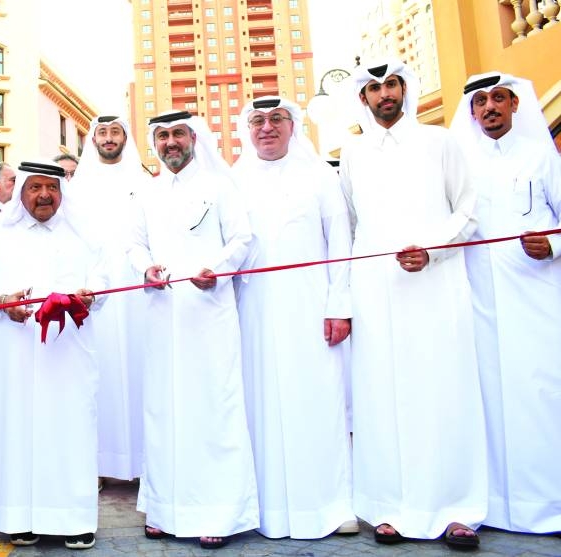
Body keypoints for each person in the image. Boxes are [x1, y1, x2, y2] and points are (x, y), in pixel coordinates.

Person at [339, 59, 487, 548]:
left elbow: (468, 208)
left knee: (443, 390)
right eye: (374, 88)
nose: (384, 94)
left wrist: (433, 250)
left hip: (436, 286)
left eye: (391, 85)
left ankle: (456, 510)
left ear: (405, 89)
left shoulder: (439, 141)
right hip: (375, 291)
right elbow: (352, 223)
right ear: (363, 98)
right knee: (381, 395)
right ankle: (388, 509)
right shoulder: (353, 153)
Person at [128, 111, 258, 549]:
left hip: (209, 314)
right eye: (162, 136)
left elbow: (242, 240)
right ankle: (164, 510)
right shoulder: (147, 192)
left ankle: (220, 513)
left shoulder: (220, 186)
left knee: (213, 407)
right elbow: (134, 244)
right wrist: (145, 268)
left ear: (193, 138)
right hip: (163, 316)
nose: (170, 143)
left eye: (178, 134)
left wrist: (217, 270)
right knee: (164, 409)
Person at [232, 96, 357, 539]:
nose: (267, 128)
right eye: (257, 121)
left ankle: (332, 506)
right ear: (247, 130)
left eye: (276, 119)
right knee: (259, 405)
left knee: (318, 402)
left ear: (292, 126)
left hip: (311, 307)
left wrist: (339, 305)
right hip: (253, 310)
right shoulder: (234, 180)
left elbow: (340, 242)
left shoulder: (319, 175)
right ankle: (266, 508)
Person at [0, 160, 105, 550]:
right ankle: (18, 518)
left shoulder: (84, 234)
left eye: (51, 188)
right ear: (22, 192)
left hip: (67, 352)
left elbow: (103, 277)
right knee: (15, 429)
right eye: (34, 187)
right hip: (12, 350)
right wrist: (1, 300)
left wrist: (90, 295)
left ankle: (74, 520)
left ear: (62, 192)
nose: (44, 195)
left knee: (69, 428)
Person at [449, 71, 561, 535]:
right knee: (487, 400)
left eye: (498, 98)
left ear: (515, 104)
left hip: (537, 300)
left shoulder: (541, 157)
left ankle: (549, 506)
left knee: (540, 394)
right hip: (478, 301)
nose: (489, 107)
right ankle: (492, 506)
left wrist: (553, 245)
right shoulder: (461, 163)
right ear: (471, 112)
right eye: (480, 101)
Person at [66, 115, 147, 484]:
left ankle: (145, 463)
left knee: (140, 368)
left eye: (116, 132)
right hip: (94, 290)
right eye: (103, 132)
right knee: (97, 372)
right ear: (93, 139)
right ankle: (98, 465)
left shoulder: (143, 183)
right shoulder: (77, 187)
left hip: (137, 290)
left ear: (125, 138)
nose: (109, 138)